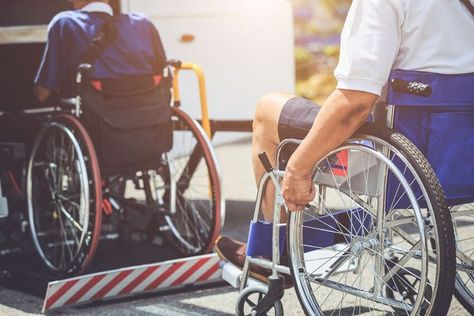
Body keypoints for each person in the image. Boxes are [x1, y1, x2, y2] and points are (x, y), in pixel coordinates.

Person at [215, 0, 474, 279]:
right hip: (459, 156)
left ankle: (270, 254)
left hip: (403, 155)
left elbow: (355, 102)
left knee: (268, 109)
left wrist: (297, 168)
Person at [33, 0, 167, 102]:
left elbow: (43, 93)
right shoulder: (143, 22)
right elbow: (164, 77)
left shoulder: (66, 22)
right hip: (146, 115)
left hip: (97, 118)